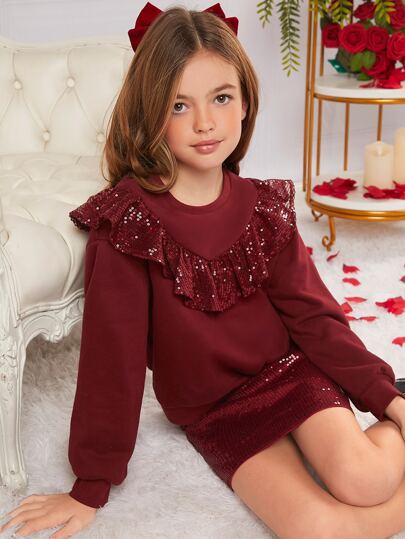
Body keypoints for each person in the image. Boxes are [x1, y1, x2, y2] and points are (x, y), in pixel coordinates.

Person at [2, 3, 405, 538]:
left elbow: (314, 317)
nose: (205, 123)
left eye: (221, 97)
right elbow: (112, 360)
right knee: (315, 529)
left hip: (290, 372)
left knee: (367, 478)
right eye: (179, 105)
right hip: (217, 412)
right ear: (150, 113)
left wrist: (387, 399)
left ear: (245, 102)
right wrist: (90, 485)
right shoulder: (128, 225)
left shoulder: (263, 207)